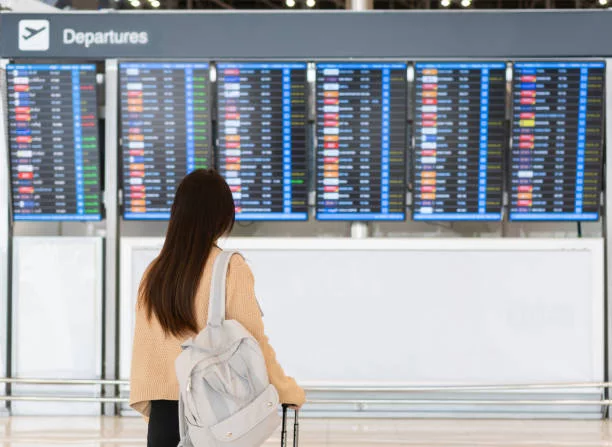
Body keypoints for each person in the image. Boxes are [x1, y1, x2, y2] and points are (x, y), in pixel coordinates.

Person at [130, 169, 306, 447]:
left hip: (162, 420)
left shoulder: (154, 272)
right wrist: (286, 391)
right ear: (221, 217)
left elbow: (145, 351)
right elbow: (254, 343)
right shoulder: (229, 268)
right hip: (212, 416)